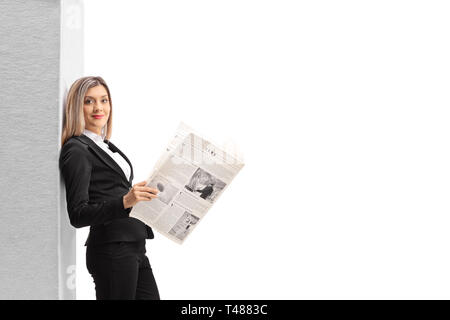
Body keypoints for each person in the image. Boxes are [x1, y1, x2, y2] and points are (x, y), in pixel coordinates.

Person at [59, 76, 160, 300]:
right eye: (89, 101)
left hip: (134, 245)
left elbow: (112, 190)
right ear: (77, 106)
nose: (99, 108)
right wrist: (126, 201)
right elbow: (77, 214)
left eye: (104, 100)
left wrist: (140, 195)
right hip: (112, 249)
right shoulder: (77, 149)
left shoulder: (103, 145)